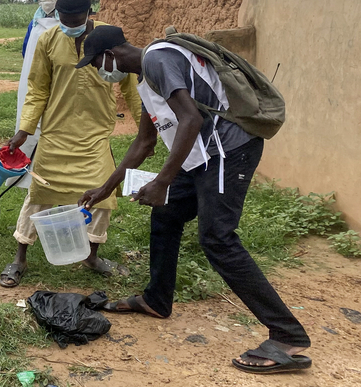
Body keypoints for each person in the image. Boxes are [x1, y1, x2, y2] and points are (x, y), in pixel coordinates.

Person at [76, 25, 311, 374]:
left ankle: (287, 335)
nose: (100, 71)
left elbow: (191, 118)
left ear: (110, 54)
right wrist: (107, 186)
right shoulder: (147, 80)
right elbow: (145, 143)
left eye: (96, 63)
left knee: (217, 237)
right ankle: (156, 299)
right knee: (167, 214)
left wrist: (162, 180)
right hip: (200, 155)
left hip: (228, 151)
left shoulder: (157, 59)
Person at [0, 0, 142, 288]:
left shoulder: (109, 37)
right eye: (64, 19)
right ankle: (19, 258)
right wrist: (24, 129)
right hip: (56, 133)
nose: (70, 24)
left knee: (103, 198)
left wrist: (145, 128)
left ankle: (91, 255)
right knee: (38, 196)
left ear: (89, 14)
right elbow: (38, 88)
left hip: (94, 136)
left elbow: (130, 86)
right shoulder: (48, 39)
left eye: (76, 19)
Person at [8, 0, 67, 193]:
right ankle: (26, 175)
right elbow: (27, 52)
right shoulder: (35, 21)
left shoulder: (68, 22)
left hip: (58, 83)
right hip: (33, 83)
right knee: (30, 124)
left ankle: (53, 175)